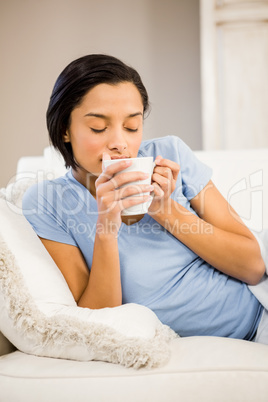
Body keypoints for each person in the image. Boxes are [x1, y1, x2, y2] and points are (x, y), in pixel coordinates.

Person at [22, 54, 267, 341]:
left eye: (131, 127)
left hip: (258, 318)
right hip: (180, 350)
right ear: (65, 129)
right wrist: (106, 229)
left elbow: (253, 267)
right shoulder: (48, 202)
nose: (119, 144)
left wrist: (164, 208)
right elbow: (95, 320)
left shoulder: (170, 154)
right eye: (98, 128)